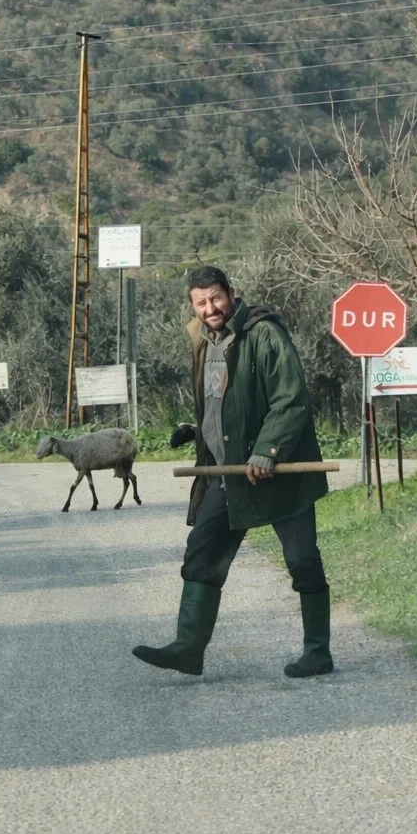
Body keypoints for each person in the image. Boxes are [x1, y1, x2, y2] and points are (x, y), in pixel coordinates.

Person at [132, 265, 333, 678]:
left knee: (302, 560)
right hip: (228, 473)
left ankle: (318, 652)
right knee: (202, 552)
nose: (211, 308)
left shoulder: (264, 334)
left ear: (231, 293)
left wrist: (267, 450)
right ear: (194, 305)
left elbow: (291, 400)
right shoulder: (204, 341)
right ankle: (189, 648)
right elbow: (222, 402)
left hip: (281, 473)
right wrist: (196, 430)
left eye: (216, 297)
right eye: (201, 302)